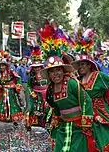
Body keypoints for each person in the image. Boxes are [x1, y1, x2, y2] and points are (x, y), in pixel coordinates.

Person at [39, 21, 98, 152]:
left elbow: (86, 100)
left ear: (63, 70)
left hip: (79, 126)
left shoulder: (72, 83)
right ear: (48, 75)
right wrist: (55, 118)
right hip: (63, 125)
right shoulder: (50, 89)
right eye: (52, 72)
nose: (56, 74)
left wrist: (86, 122)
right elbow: (55, 107)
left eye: (58, 70)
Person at [0, 58, 23, 125]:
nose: (1, 67)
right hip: (2, 91)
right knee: (0, 104)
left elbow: (18, 78)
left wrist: (17, 86)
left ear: (6, 66)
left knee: (12, 104)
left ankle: (14, 119)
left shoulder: (11, 71)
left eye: (3, 65)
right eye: (0, 66)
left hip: (10, 91)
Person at [24, 46, 49, 131]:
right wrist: (32, 93)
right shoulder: (31, 76)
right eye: (35, 67)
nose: (37, 68)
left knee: (46, 109)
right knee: (31, 108)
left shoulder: (47, 74)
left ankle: (45, 124)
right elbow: (28, 86)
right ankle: (28, 123)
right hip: (35, 94)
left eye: (38, 67)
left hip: (45, 94)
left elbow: (50, 84)